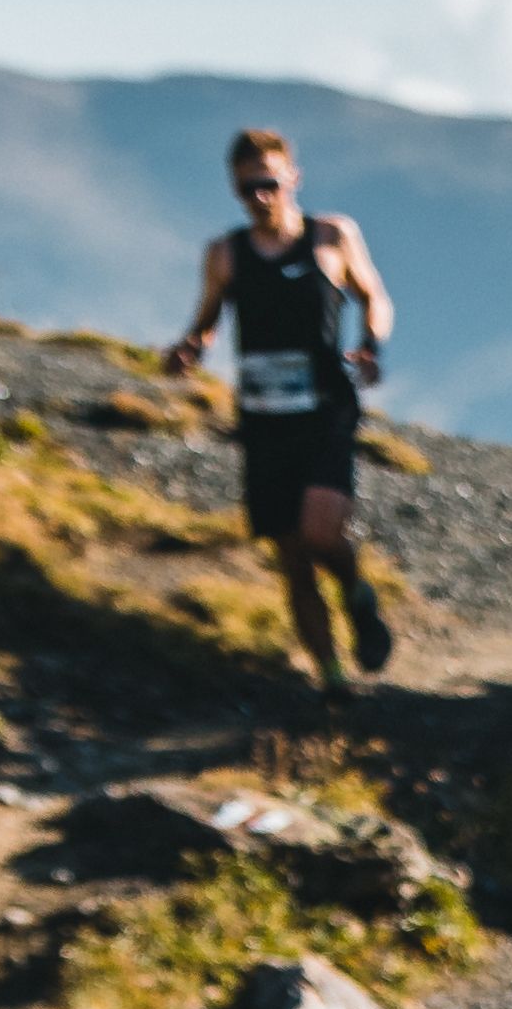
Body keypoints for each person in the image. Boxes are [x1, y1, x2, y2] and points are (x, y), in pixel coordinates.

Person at [162, 126, 399, 683]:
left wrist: (371, 343)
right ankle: (332, 680)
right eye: (248, 189)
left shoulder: (332, 236)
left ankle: (357, 593)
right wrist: (189, 349)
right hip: (264, 419)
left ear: (293, 178)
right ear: (235, 190)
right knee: (293, 561)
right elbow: (206, 323)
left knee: (320, 533)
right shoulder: (226, 255)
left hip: (327, 410)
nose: (261, 196)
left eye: (270, 182)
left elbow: (374, 296)